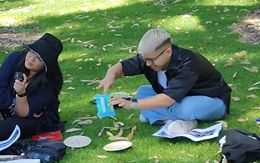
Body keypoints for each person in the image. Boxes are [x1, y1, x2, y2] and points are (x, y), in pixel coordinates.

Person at [97, 29, 231, 126]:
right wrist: (110, 76)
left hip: (212, 100)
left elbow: (167, 99)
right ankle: (169, 121)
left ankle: (162, 117)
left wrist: (132, 105)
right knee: (143, 91)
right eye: (145, 60)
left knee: (182, 108)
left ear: (168, 52)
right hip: (178, 97)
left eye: (151, 60)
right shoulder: (149, 59)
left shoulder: (188, 63)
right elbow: (120, 68)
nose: (148, 64)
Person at [0, 34, 63, 142]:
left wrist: (21, 93)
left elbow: (23, 113)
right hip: (3, 108)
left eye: (39, 58)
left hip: (31, 119)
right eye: (32, 51)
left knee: (8, 127)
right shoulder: (15, 59)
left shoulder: (49, 83)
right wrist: (6, 108)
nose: (32, 59)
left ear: (46, 64)